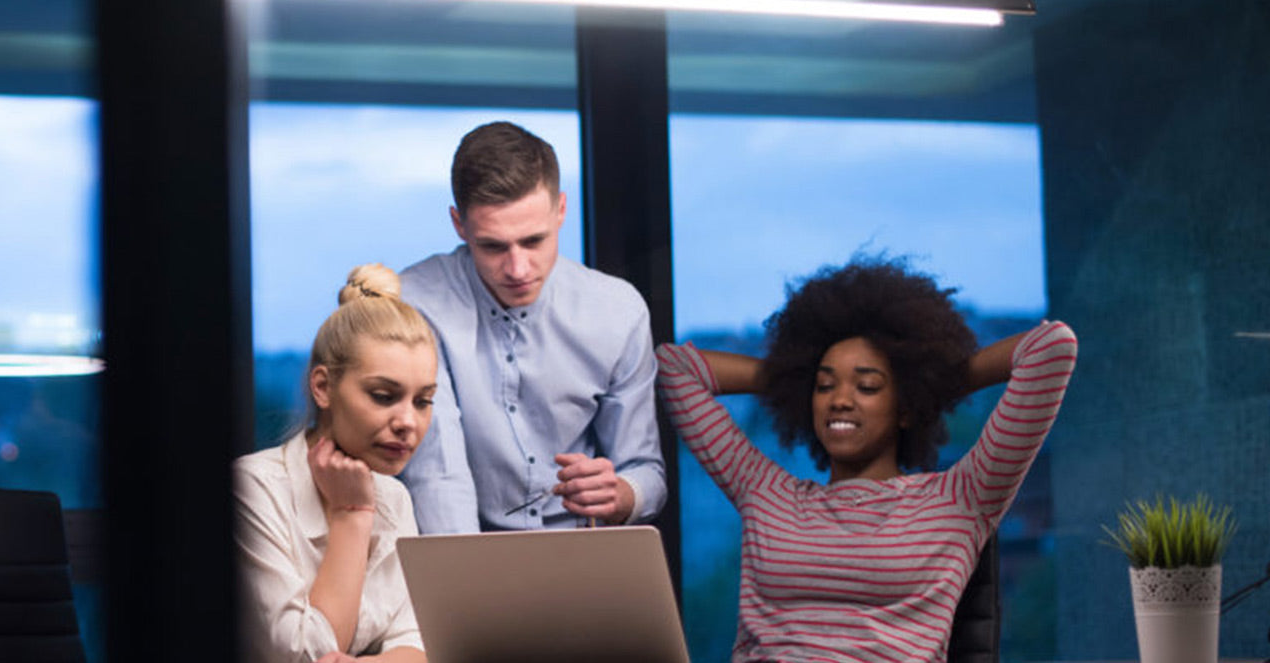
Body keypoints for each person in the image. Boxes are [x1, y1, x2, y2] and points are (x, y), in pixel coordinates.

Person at [655, 256, 1078, 662]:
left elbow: (1051, 347)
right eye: (825, 387)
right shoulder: (769, 496)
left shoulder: (961, 500)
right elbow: (674, 369)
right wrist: (793, 377)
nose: (839, 400)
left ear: (905, 406)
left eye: (868, 386)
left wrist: (927, 385)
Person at [397, 120, 666, 533]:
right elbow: (438, 474)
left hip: (583, 553)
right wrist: (462, 590)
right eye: (493, 246)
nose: (518, 269)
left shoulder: (619, 312)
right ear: (459, 224)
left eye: (534, 241)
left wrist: (622, 493)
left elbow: (645, 470)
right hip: (458, 549)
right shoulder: (414, 304)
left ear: (561, 210)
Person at [235, 264, 435, 663]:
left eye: (423, 400)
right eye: (383, 395)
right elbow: (302, 654)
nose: (408, 422)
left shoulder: (394, 497)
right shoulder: (251, 487)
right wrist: (352, 515)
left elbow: (420, 642)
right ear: (323, 386)